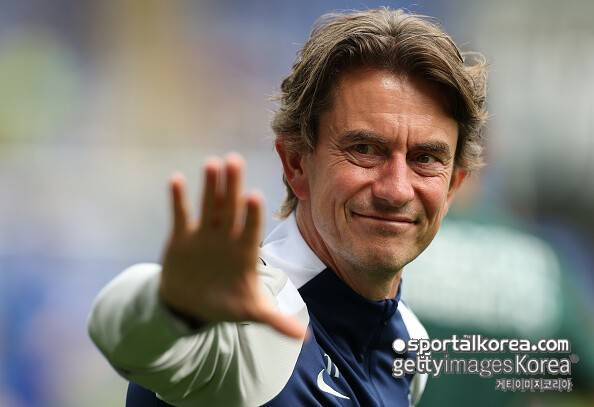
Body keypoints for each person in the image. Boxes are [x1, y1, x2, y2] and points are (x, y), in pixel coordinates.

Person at [88, 8, 487, 406]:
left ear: (453, 185)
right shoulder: (250, 325)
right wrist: (174, 308)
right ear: (296, 163)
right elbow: (120, 332)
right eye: (365, 149)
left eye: (426, 158)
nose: (396, 189)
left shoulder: (409, 342)